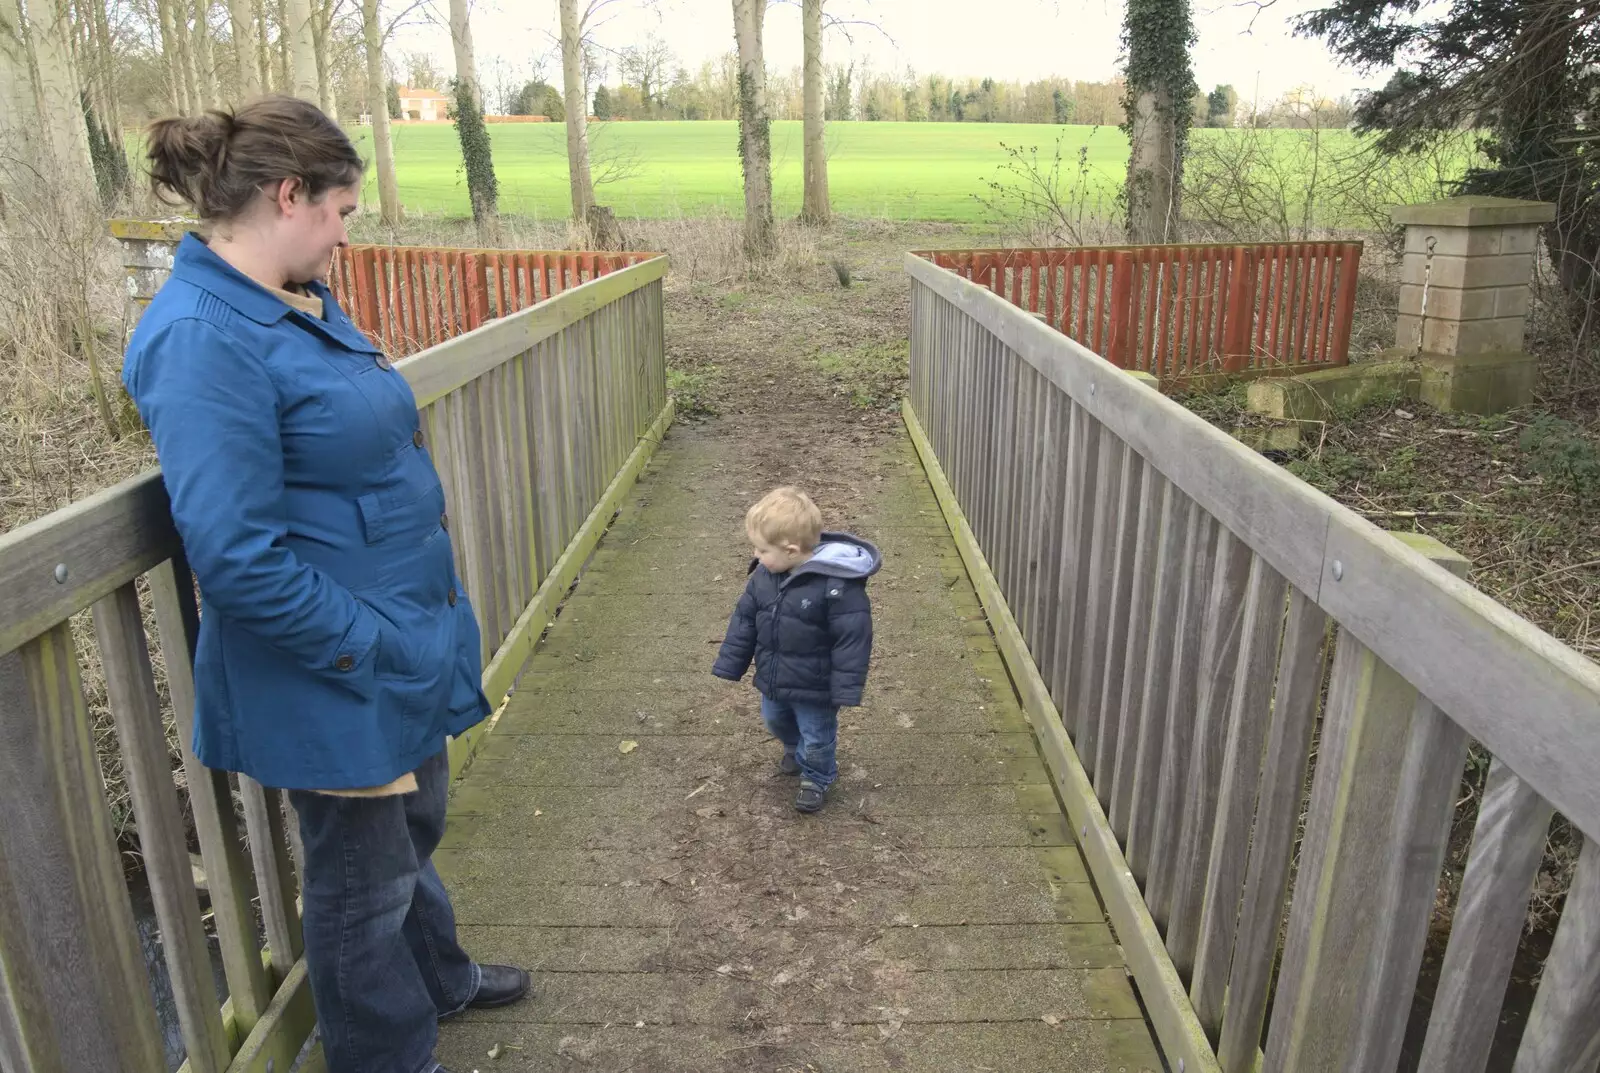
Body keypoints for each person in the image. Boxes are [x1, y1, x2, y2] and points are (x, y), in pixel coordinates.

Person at [121, 96, 528, 1073]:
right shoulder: (201, 335)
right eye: (341, 211)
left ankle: (439, 975)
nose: (350, 233)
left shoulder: (291, 298)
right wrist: (371, 649)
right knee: (360, 882)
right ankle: (390, 1055)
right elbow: (237, 554)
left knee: (409, 828)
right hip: (335, 663)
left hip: (396, 636)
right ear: (287, 193)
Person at [712, 487, 881, 812]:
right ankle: (793, 746)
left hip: (816, 684)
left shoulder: (837, 586)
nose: (756, 556)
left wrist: (845, 687)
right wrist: (731, 662)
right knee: (774, 718)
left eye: (762, 550)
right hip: (775, 674)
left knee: (817, 735)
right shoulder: (764, 576)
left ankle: (817, 777)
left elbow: (853, 638)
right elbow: (745, 618)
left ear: (790, 550)